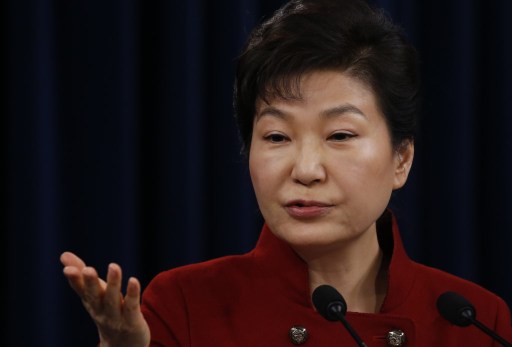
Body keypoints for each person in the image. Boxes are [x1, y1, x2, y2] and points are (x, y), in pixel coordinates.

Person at [61, 0, 512, 346]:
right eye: (277, 137)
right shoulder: (184, 306)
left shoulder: (474, 319)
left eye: (340, 135)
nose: (307, 169)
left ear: (402, 159)